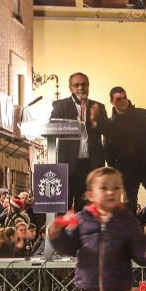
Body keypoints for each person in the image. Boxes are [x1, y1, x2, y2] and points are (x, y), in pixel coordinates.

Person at [105, 86, 146, 224]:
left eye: (124, 97)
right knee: (129, 206)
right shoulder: (110, 124)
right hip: (126, 172)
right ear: (112, 102)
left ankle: (137, 224)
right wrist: (115, 169)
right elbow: (108, 150)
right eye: (118, 99)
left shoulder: (144, 115)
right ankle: (132, 237)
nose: (123, 101)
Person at [50, 72, 110, 211]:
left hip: (91, 166)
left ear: (88, 87)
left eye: (84, 84)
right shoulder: (61, 105)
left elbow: (109, 131)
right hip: (68, 166)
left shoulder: (98, 107)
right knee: (63, 209)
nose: (80, 88)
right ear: (70, 88)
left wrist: (95, 121)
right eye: (76, 85)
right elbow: (52, 128)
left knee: (85, 210)